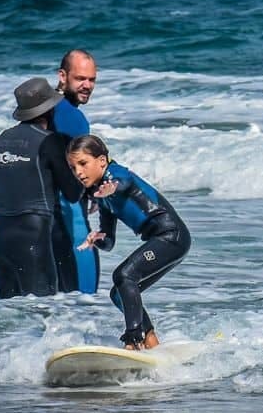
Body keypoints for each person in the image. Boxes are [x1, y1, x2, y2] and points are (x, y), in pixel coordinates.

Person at [67, 134, 191, 350]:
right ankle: (151, 342)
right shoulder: (103, 198)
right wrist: (98, 239)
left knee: (124, 275)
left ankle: (133, 338)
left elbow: (123, 183)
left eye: (83, 163)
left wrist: (112, 188)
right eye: (73, 167)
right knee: (118, 293)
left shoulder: (116, 174)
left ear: (102, 161)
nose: (78, 172)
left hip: (172, 235)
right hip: (162, 239)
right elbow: (110, 241)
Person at [0, 77, 83, 298]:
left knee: (11, 317)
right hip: (34, 241)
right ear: (50, 110)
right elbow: (73, 193)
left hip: (0, 242)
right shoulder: (51, 141)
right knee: (41, 313)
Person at [51, 49, 100, 294]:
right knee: (84, 294)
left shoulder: (40, 109)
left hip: (37, 215)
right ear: (63, 76)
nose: (87, 85)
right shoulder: (72, 117)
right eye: (80, 78)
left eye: (92, 80)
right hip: (66, 213)